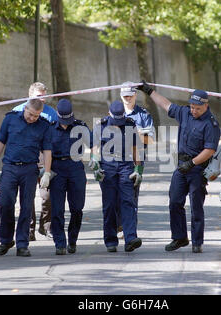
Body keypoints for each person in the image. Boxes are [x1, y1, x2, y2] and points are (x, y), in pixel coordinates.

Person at [137, 81, 221, 253]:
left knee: (196, 206)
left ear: (206, 105)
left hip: (197, 169)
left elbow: (210, 149)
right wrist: (149, 91)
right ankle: (180, 237)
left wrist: (192, 163)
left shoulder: (211, 124)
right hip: (181, 166)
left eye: (197, 108)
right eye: (192, 107)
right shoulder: (185, 113)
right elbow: (166, 105)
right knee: (175, 202)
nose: (193, 110)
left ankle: (197, 242)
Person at [0, 98, 52, 257]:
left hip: (30, 169)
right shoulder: (10, 119)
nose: (32, 118)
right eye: (30, 114)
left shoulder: (44, 126)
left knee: (26, 207)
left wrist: (47, 172)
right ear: (25, 108)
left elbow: (47, 150)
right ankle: (6, 240)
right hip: (10, 168)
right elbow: (0, 141)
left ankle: (22, 243)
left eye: (36, 116)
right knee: (5, 203)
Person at [91, 100, 143, 252]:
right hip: (107, 165)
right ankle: (110, 239)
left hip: (126, 164)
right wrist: (95, 163)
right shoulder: (101, 125)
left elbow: (135, 147)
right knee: (110, 203)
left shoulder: (129, 124)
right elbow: (95, 147)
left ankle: (130, 238)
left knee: (128, 201)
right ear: (109, 113)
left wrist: (138, 168)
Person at [13, 82, 57, 240]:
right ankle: (28, 228)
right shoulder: (17, 111)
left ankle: (46, 227)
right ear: (30, 96)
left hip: (45, 156)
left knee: (48, 195)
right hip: (24, 157)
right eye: (39, 96)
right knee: (27, 195)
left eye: (45, 96)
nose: (42, 100)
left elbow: (55, 137)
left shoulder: (52, 113)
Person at [49, 99, 91, 255]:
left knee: (77, 208)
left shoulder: (80, 126)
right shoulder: (50, 128)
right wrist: (44, 170)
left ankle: (72, 240)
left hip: (75, 168)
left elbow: (93, 143)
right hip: (56, 169)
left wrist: (94, 159)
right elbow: (42, 149)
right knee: (57, 209)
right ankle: (60, 243)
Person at [115, 82, 155, 236]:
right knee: (116, 196)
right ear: (120, 95)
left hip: (135, 161)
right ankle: (119, 224)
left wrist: (136, 135)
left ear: (135, 95)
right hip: (116, 159)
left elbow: (150, 140)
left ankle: (130, 231)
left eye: (130, 96)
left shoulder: (143, 115)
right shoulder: (115, 112)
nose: (127, 99)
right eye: (124, 96)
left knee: (131, 197)